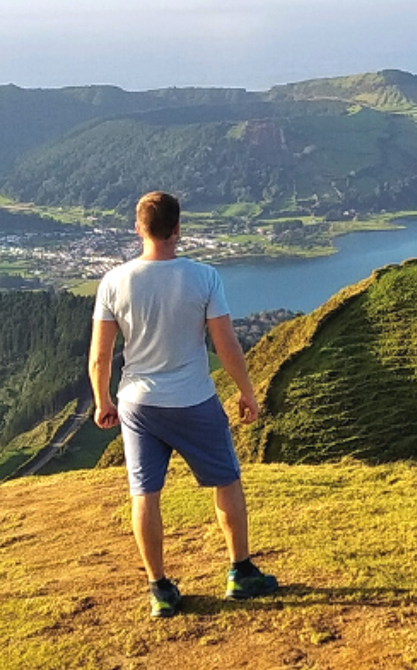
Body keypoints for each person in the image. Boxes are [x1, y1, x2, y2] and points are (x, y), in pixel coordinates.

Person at [89, 190, 277, 618]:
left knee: (145, 494)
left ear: (138, 228)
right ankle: (240, 572)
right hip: (194, 398)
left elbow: (100, 355)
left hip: (137, 404)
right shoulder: (204, 277)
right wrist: (245, 390)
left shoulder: (114, 282)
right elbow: (225, 343)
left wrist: (102, 400)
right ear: (178, 230)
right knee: (226, 481)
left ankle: (159, 589)